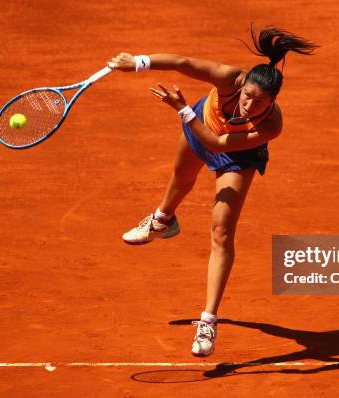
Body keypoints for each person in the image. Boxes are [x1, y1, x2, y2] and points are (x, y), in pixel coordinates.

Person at [108, 26, 316, 356]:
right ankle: (163, 220)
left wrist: (183, 110)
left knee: (221, 231)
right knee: (181, 179)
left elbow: (219, 143)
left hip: (235, 153)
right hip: (201, 121)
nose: (249, 104)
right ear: (242, 85)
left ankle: (208, 320)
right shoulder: (230, 78)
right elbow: (182, 62)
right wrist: (138, 62)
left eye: (260, 101)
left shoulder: (271, 125)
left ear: (273, 101)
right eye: (247, 94)